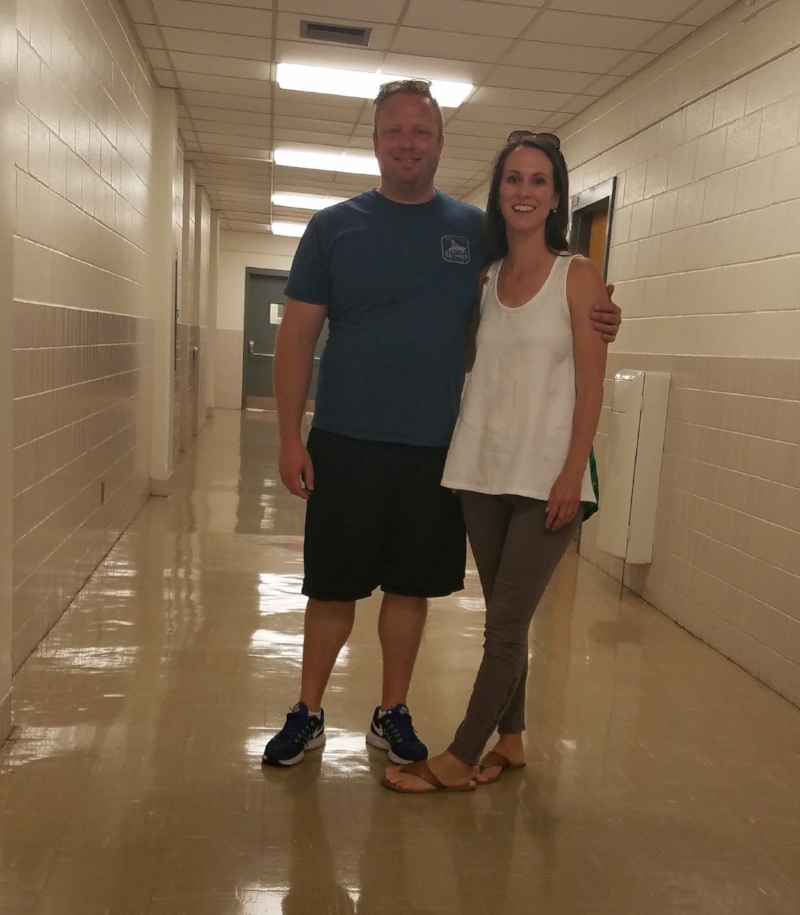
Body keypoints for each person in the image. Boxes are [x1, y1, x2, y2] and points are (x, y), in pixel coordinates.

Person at [262, 82, 620, 769]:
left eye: (420, 132)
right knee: (332, 586)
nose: (407, 143)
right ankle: (306, 711)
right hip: (346, 439)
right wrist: (288, 435)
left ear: (439, 144)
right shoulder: (333, 227)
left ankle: (392, 711)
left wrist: (603, 313)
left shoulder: (471, 232)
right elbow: (296, 339)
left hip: (435, 448)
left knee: (410, 586)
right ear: (375, 142)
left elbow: (543, 280)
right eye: (394, 131)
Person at [383, 131, 608, 793]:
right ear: (499, 191)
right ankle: (511, 740)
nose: (525, 192)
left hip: (548, 478)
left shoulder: (580, 276)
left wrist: (572, 472)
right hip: (483, 470)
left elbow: (592, 386)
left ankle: (458, 755)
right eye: (514, 179)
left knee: (506, 626)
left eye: (539, 181)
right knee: (505, 616)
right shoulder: (484, 276)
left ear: (557, 197)